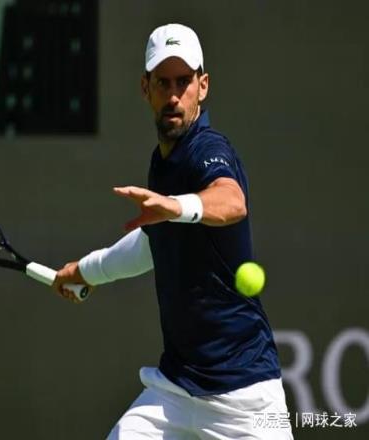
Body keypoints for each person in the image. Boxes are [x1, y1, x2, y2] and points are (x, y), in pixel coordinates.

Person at [53, 23, 293, 440]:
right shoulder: (164, 161)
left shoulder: (209, 150)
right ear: (145, 88)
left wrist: (177, 206)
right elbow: (152, 245)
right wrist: (85, 270)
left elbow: (231, 200)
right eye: (163, 83)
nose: (174, 95)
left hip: (245, 396)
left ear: (203, 86)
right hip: (175, 389)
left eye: (184, 82)